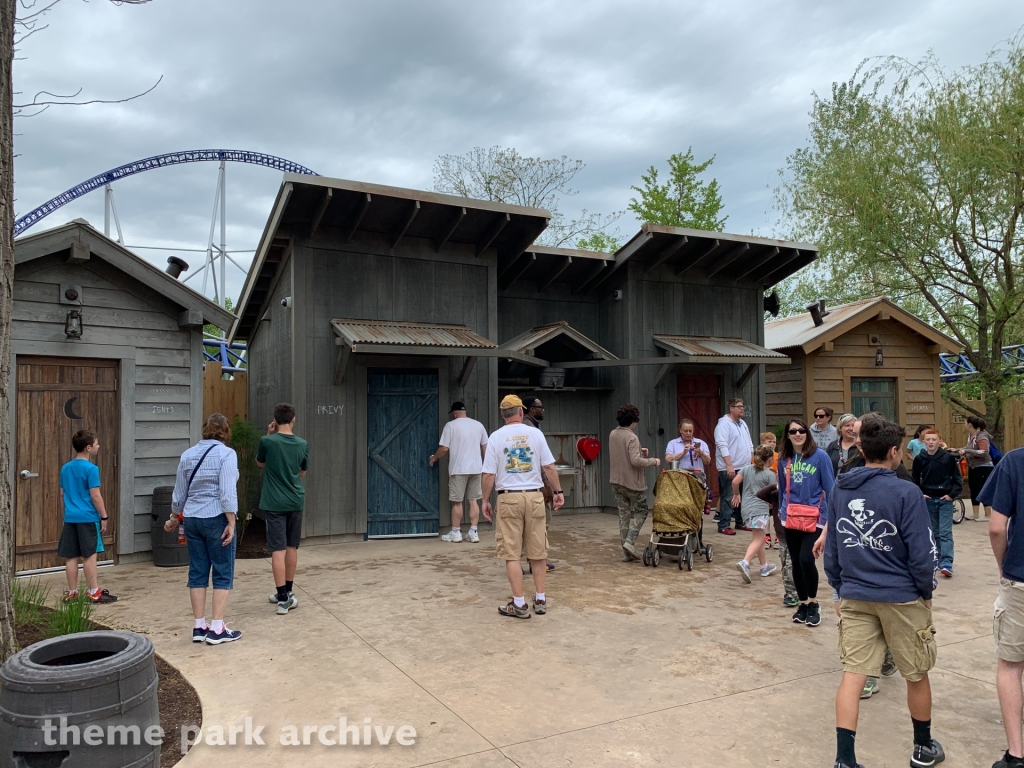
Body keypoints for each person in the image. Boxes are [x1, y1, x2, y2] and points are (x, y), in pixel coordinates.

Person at [824, 414, 942, 768]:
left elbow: (833, 549)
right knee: (916, 671)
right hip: (901, 595)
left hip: (856, 594)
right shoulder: (905, 491)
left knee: (854, 674)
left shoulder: (840, 488)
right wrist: (926, 590)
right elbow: (921, 553)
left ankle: (845, 759)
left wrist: (839, 587)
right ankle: (922, 746)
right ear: (893, 451)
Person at [480, 395, 564, 618]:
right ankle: (540, 598)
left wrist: (485, 500)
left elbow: (488, 473)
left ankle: (519, 603)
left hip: (509, 498)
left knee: (511, 553)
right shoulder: (535, 434)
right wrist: (558, 492)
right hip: (534, 497)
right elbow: (548, 465)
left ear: (503, 414)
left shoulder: (496, 437)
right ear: (520, 412)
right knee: (537, 551)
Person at [167, 414, 239, 644]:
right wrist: (232, 522)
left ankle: (199, 626)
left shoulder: (188, 455)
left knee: (197, 570)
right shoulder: (227, 454)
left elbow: (179, 494)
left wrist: (174, 517)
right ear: (226, 432)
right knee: (222, 571)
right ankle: (217, 629)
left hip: (192, 520)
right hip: (216, 517)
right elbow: (227, 493)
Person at [979, 447, 1024, 768]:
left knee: (1011, 665)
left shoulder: (1015, 461)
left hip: (1020, 577)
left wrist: (1003, 566)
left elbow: (996, 527)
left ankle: (1016, 754)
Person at [778, 418, 835, 628]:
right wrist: (780, 512)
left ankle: (813, 603)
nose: (798, 434)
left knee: (806, 559)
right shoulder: (785, 458)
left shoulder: (820, 456)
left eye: (802, 430)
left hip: (815, 517)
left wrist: (830, 519)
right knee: (794, 560)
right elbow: (782, 487)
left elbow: (831, 487)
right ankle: (802, 604)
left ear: (807, 433)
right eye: (793, 431)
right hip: (790, 516)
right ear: (788, 435)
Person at [256, 402, 309, 616]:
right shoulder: (302, 443)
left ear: (275, 421)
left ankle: (282, 597)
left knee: (277, 549)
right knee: (291, 546)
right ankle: (288, 590)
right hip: (295, 500)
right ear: (294, 419)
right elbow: (302, 472)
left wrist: (269, 434)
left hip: (274, 502)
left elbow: (260, 463)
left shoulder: (267, 441)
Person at [58, 430, 117, 604]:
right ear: (88, 447)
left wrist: (66, 513)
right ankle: (93, 592)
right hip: (88, 517)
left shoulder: (66, 468)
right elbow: (95, 495)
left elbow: (62, 493)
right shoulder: (91, 469)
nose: (98, 446)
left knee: (71, 555)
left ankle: (72, 593)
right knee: (90, 554)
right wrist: (104, 516)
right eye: (96, 443)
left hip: (71, 517)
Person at [430, 402, 488, 544]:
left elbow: (444, 448)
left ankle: (456, 533)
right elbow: (486, 448)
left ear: (455, 413)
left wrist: (434, 457)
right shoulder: (478, 425)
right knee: (473, 500)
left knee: (457, 502)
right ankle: (473, 532)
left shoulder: (451, 426)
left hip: (459, 469)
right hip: (476, 468)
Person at [610, 404, 661, 561]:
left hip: (616, 481)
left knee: (623, 514)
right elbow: (635, 461)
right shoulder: (632, 436)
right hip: (632, 482)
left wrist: (640, 450)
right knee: (642, 510)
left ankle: (626, 552)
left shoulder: (613, 434)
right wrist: (653, 461)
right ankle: (630, 542)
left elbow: (622, 453)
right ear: (633, 421)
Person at [913, 428, 962, 578]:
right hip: (929, 499)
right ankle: (938, 558)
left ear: (939, 441)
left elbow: (957, 479)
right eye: (928, 440)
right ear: (923, 441)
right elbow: (915, 479)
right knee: (934, 532)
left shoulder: (948, 458)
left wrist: (951, 495)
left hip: (944, 500)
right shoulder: (920, 459)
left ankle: (947, 562)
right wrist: (920, 494)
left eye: (934, 439)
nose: (931, 442)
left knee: (945, 531)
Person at [732, 445, 778, 583]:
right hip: (760, 509)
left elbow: (735, 482)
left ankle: (764, 566)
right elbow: (773, 493)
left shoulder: (746, 469)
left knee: (757, 538)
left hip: (746, 509)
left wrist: (736, 494)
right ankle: (745, 562)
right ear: (770, 459)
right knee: (760, 539)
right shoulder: (770, 474)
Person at [521, 396, 556, 572]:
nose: (542, 410)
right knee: (540, 523)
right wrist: (546, 484)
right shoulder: (531, 429)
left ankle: (527, 561)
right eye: (539, 407)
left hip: (522, 486)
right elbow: (538, 460)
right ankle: (535, 562)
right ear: (530, 409)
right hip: (534, 485)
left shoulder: (529, 426)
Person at [714, 398, 753, 535]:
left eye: (743, 406)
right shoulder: (723, 425)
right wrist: (729, 465)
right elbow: (722, 444)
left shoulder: (742, 424)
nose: (742, 409)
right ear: (731, 408)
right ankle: (724, 524)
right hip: (730, 467)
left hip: (744, 466)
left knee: (741, 495)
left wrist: (751, 461)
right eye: (739, 406)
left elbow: (749, 443)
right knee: (728, 496)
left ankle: (740, 521)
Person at [666, 419, 712, 515]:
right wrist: (683, 453)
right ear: (680, 430)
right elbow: (667, 459)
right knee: (681, 504)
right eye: (685, 431)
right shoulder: (673, 443)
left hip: (697, 478)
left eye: (690, 431)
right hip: (680, 478)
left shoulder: (701, 443)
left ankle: (698, 526)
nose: (688, 433)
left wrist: (700, 453)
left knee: (697, 504)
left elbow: (708, 461)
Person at [963, 415, 995, 521]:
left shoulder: (981, 436)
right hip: (974, 466)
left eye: (965, 422)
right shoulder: (971, 437)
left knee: (983, 489)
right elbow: (969, 449)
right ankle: (975, 513)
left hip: (984, 466)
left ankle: (988, 515)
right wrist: (958, 450)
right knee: (974, 489)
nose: (964, 424)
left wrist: (967, 451)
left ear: (970, 425)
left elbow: (984, 452)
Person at [760, 431, 779, 546]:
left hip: (776, 487)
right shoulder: (757, 456)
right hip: (764, 488)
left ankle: (778, 535)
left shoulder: (778, 456)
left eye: (774, 442)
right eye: (769, 441)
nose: (772, 444)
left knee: (777, 513)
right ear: (763, 443)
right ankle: (766, 536)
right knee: (765, 514)